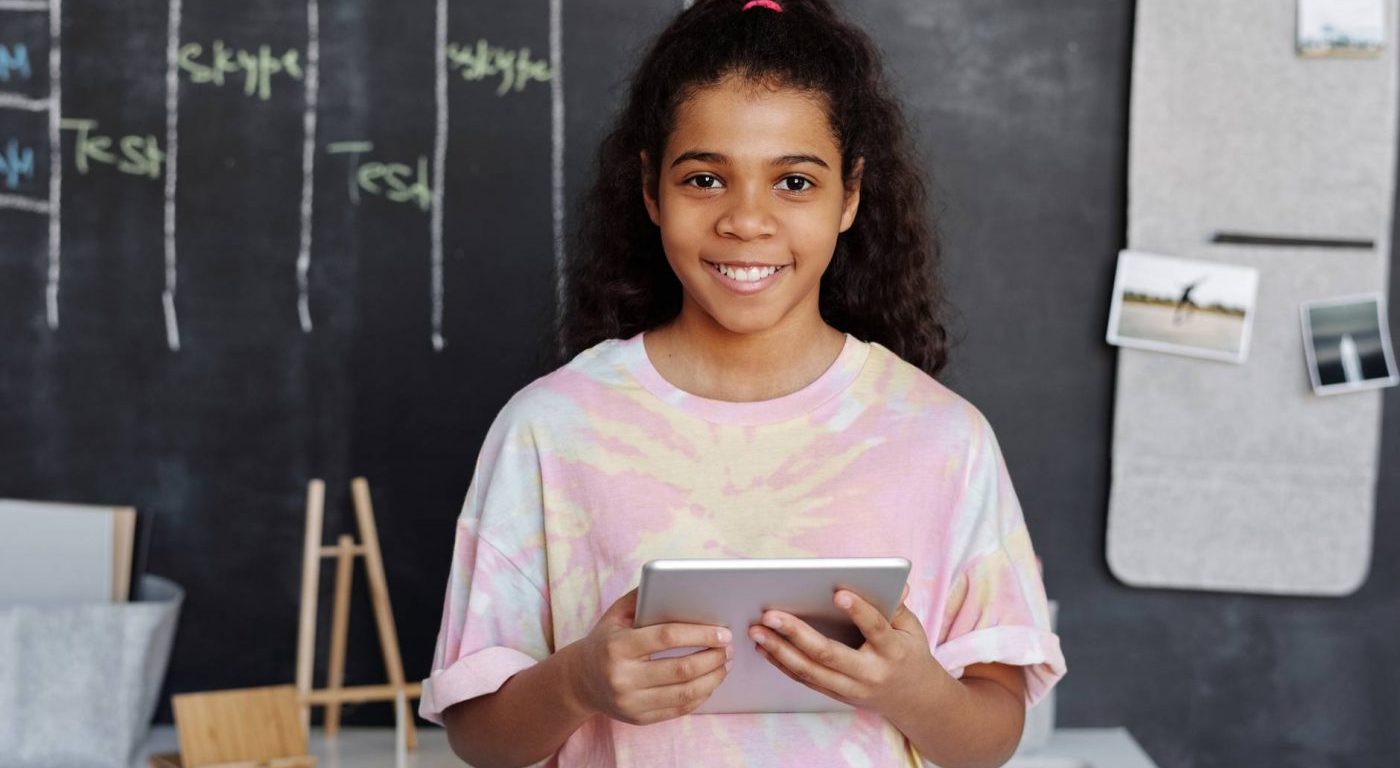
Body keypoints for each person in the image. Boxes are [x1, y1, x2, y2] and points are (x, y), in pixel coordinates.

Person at [418, 1, 1065, 765]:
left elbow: (991, 737)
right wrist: (578, 684)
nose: (746, 220)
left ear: (850, 195)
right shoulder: (552, 429)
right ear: (652, 191)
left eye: (794, 181)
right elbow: (478, 738)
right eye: (704, 178)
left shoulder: (941, 439)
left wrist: (910, 689)